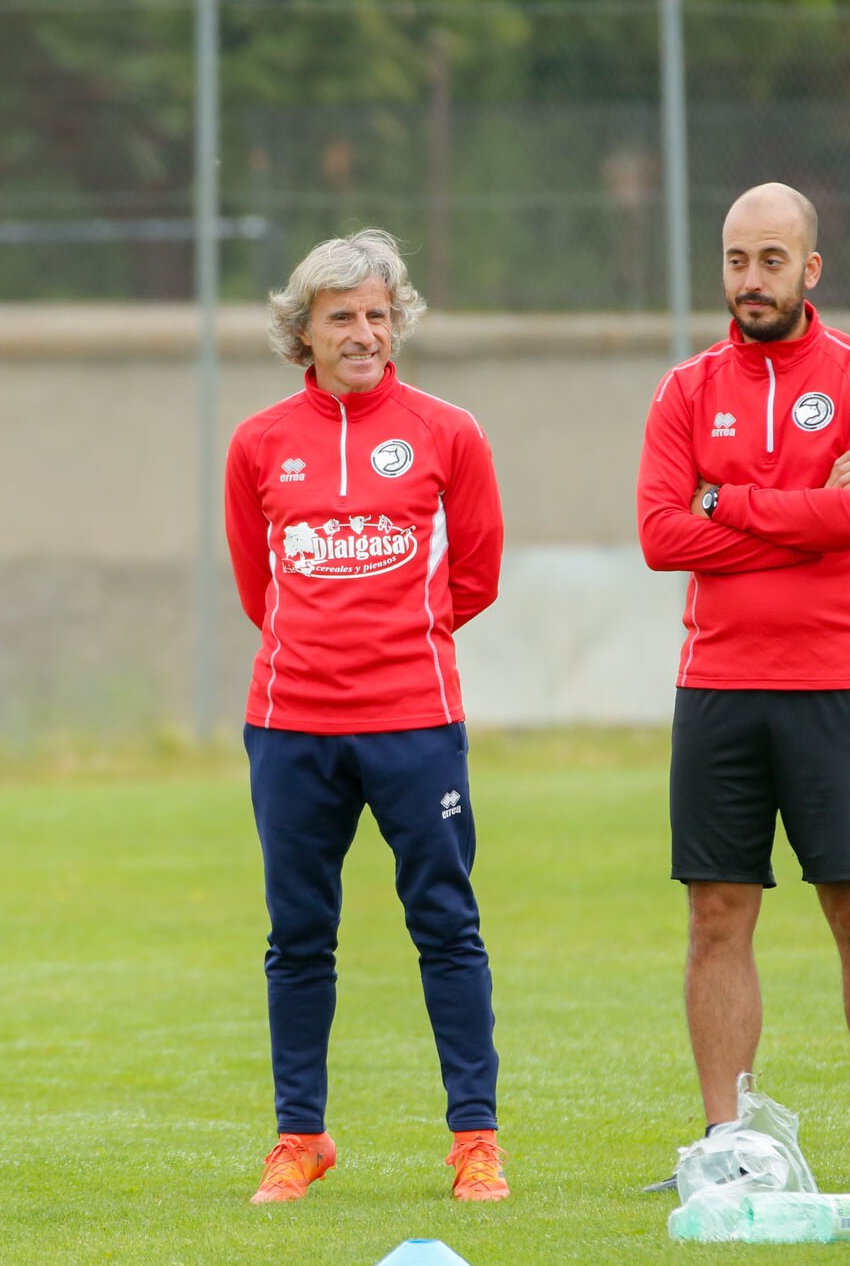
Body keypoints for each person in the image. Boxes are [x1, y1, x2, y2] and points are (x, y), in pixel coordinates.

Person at [636, 182, 850, 1187]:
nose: (748, 279)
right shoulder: (683, 391)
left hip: (836, 685)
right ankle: (725, 1142)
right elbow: (657, 534)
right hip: (715, 684)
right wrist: (797, 506)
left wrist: (725, 506)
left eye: (769, 260)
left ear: (809, 269)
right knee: (715, 914)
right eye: (733, 260)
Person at [222, 228, 509, 1205]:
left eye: (378, 315)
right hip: (290, 726)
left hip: (413, 723)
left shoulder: (448, 433)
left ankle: (475, 1141)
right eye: (341, 316)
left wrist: (392, 645)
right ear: (301, 330)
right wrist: (322, 652)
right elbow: (258, 589)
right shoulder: (257, 444)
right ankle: (298, 1138)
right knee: (297, 935)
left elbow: (473, 575)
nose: (363, 332)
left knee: (445, 925)